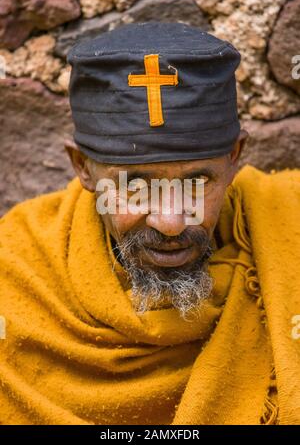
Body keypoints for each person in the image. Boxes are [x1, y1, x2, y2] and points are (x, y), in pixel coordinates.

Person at [0, 21, 300, 425]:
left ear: (235, 157)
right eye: (134, 185)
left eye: (198, 183)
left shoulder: (287, 223)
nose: (172, 222)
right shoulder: (15, 272)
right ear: (82, 168)